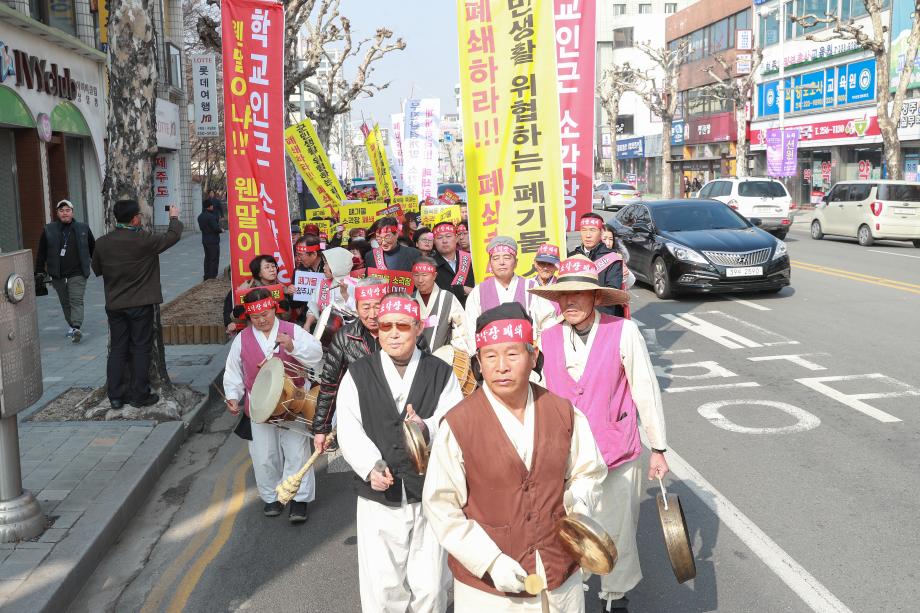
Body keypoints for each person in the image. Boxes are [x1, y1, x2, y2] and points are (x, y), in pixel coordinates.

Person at [422, 302, 608, 612]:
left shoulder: (563, 412)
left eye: (512, 354)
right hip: (489, 592)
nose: (501, 366)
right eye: (490, 356)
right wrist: (489, 561)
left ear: (532, 356)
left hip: (558, 575)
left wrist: (579, 503)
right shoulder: (458, 424)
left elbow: (588, 471)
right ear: (478, 363)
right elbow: (441, 504)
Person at [529, 255, 666, 613]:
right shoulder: (548, 336)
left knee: (617, 528)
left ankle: (616, 598)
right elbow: (538, 392)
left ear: (595, 297)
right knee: (570, 529)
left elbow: (645, 389)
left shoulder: (622, 331)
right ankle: (574, 594)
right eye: (564, 295)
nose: (570, 302)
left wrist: (659, 448)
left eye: (579, 294)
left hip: (616, 449)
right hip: (567, 459)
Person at [336, 293, 463, 613]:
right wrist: (370, 466)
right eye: (386, 325)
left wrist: (426, 428)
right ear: (376, 329)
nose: (393, 333)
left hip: (429, 492)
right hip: (378, 497)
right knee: (382, 584)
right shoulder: (358, 374)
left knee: (432, 583)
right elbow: (349, 428)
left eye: (403, 326)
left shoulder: (440, 373)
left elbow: (456, 420)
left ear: (418, 328)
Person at [223, 288, 323, 522]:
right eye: (256, 317)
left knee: (296, 453)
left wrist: (292, 347)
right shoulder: (243, 338)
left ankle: (299, 500)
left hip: (294, 403)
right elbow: (233, 372)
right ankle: (272, 497)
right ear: (249, 317)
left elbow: (317, 354)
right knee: (264, 455)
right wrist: (232, 396)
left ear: (273, 309)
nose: (261, 320)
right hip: (259, 407)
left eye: (266, 314)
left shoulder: (292, 330)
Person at [91, 200, 182, 409]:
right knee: (141, 348)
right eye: (139, 215)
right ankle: (139, 395)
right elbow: (172, 237)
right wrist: (174, 218)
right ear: (134, 218)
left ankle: (115, 396)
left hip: (115, 304)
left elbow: (96, 268)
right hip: (140, 303)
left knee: (118, 348)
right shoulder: (143, 239)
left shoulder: (103, 242)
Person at [311, 278, 388, 452]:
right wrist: (321, 428)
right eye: (366, 307)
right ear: (356, 306)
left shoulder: (403, 330)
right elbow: (330, 383)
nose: (373, 314)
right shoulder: (345, 337)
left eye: (378, 306)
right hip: (363, 419)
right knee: (372, 473)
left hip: (399, 417)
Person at [465, 236, 554, 350]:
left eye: (507, 257)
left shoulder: (531, 288)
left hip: (527, 358)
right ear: (490, 264)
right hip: (492, 359)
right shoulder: (478, 292)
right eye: (496, 258)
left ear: (516, 262)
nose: (501, 262)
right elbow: (470, 329)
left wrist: (537, 351)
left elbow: (548, 323)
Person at [35, 199, 95, 343]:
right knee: (65, 302)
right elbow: (41, 253)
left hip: (78, 273)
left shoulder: (83, 228)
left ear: (72, 212)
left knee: (76, 300)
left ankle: (76, 326)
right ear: (57, 213)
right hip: (58, 275)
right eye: (61, 211)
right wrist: (38, 271)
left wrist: (102, 266)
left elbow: (94, 249)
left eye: (67, 210)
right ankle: (72, 325)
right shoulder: (49, 230)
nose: (65, 213)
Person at [568, 213, 624, 317]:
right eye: (584, 230)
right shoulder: (572, 257)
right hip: (575, 315)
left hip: (602, 316)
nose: (587, 235)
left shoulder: (612, 258)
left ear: (601, 232)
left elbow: (612, 291)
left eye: (592, 230)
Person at [410, 257, 468, 354]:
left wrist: (450, 352)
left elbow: (462, 328)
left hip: (444, 360)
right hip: (414, 359)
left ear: (434, 276)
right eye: (416, 275)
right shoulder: (409, 300)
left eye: (424, 275)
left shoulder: (447, 298)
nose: (420, 280)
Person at [431, 222, 474, 306]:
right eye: (439, 237)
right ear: (434, 241)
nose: (444, 241)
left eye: (448, 236)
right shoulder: (430, 265)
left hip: (472, 312)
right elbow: (431, 293)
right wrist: (462, 289)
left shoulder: (470, 259)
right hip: (445, 313)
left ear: (457, 238)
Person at [602, 224, 635, 290]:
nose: (608, 243)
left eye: (611, 239)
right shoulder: (588, 256)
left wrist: (624, 274)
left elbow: (631, 280)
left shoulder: (617, 258)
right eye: (604, 239)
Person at [197, 199, 222, 280]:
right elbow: (216, 228)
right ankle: (212, 276)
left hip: (205, 239)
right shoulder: (211, 217)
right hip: (213, 240)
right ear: (209, 206)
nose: (213, 206)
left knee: (207, 258)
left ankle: (206, 275)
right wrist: (221, 230)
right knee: (213, 258)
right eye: (211, 205)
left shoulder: (200, 216)